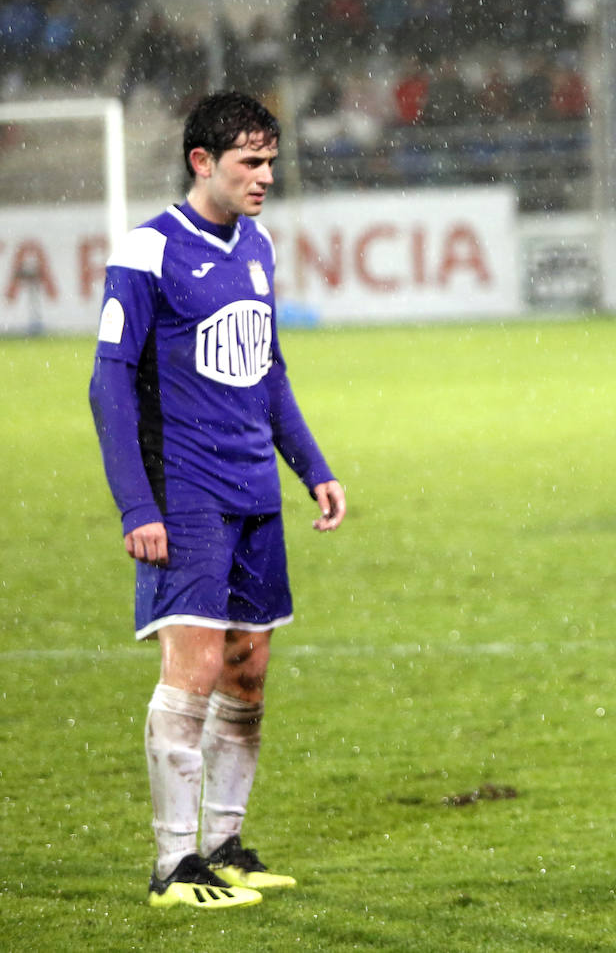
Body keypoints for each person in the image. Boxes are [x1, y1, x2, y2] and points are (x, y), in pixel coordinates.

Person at [89, 93, 346, 910]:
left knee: (248, 671)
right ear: (203, 161)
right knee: (193, 668)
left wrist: (312, 467)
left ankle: (223, 845)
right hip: (185, 493)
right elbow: (109, 386)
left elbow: (269, 372)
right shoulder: (149, 251)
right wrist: (138, 507)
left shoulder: (258, 246)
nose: (266, 176)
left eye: (271, 161)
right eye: (251, 162)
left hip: (253, 494)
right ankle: (173, 867)